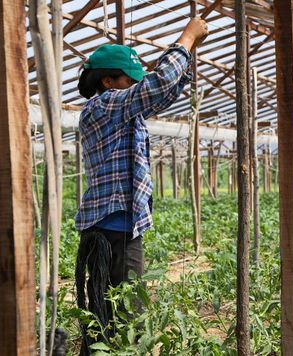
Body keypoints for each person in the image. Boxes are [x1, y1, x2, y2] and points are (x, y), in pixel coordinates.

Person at [73, 17, 208, 355]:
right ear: (107, 81)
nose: (134, 86)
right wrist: (187, 38)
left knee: (106, 314)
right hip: (114, 232)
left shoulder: (118, 109)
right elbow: (157, 86)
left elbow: (161, 95)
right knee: (129, 319)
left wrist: (187, 59)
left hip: (113, 228)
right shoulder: (105, 105)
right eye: (128, 81)